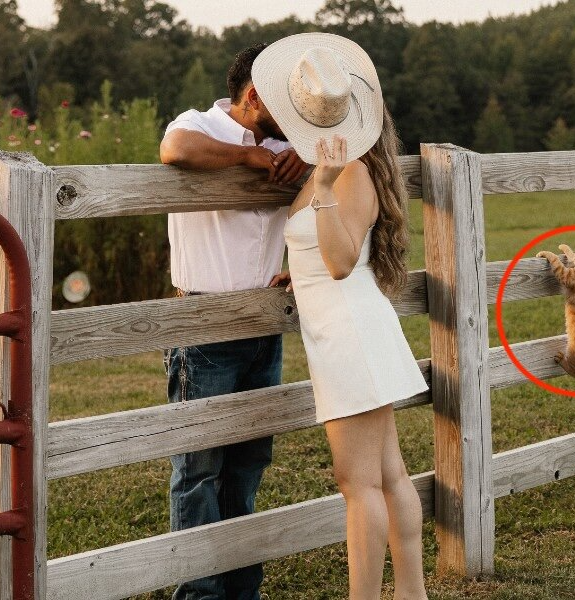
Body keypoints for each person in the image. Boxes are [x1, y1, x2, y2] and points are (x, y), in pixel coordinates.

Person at [252, 33, 430, 599]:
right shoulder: (337, 171)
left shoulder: (344, 173)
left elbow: (340, 260)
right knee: (386, 475)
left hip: (349, 332)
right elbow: (321, 256)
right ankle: (411, 593)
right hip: (349, 326)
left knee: (359, 483)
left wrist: (324, 190)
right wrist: (294, 270)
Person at [158, 43, 308, 600]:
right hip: (204, 325)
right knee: (198, 468)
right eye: (285, 105)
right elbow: (174, 149)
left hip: (264, 325)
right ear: (253, 95)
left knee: (248, 463)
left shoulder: (290, 145)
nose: (293, 121)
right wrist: (246, 158)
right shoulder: (197, 124)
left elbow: (346, 171)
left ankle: (242, 589)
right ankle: (200, 594)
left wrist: (311, 166)